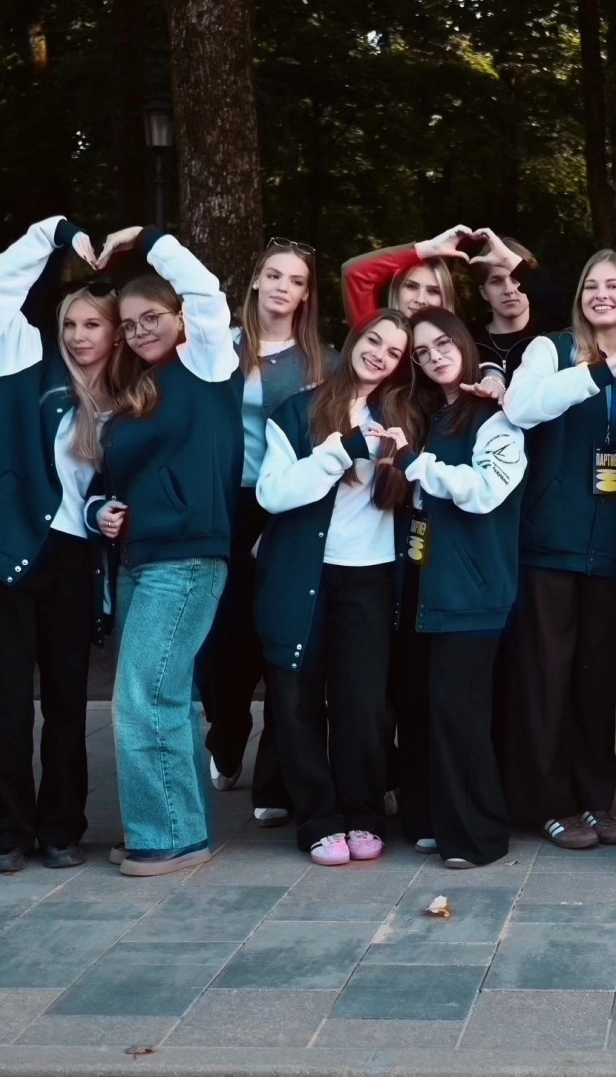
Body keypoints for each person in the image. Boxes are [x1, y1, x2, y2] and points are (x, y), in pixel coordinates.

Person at [0, 217, 122, 873]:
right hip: (4, 549)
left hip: (73, 559)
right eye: (71, 323)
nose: (79, 335)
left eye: (93, 324)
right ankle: (5, 831)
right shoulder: (25, 360)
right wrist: (54, 233)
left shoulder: (125, 398)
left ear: (115, 332)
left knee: (66, 702)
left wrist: (103, 510)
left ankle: (60, 829)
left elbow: (99, 487)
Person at [91, 226, 241, 877]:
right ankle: (181, 829)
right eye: (128, 325)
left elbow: (205, 289)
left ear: (179, 317)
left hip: (186, 559)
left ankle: (166, 838)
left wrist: (147, 239)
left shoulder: (206, 363)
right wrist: (106, 511)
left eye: (150, 316)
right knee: (166, 697)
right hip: (141, 560)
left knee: (142, 699)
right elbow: (117, 480)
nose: (139, 331)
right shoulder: (141, 391)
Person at [252, 311, 418, 866]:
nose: (379, 354)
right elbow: (273, 494)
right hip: (302, 573)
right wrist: (340, 451)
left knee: (363, 705)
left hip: (370, 577)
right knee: (296, 699)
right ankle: (318, 821)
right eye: (373, 340)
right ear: (354, 340)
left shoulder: (402, 417)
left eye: (393, 352)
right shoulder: (298, 411)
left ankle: (363, 813)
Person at [500, 250, 616, 851]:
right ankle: (550, 802)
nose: (601, 294)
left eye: (615, 285)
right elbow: (520, 407)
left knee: (595, 678)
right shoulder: (551, 350)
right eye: (591, 285)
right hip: (548, 541)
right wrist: (599, 372)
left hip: (608, 548)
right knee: (546, 678)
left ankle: (595, 798)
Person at [202, 238, 334, 828]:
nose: (283, 287)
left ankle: (276, 775)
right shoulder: (218, 345)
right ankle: (226, 733)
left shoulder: (321, 363)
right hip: (224, 504)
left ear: (306, 295)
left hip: (285, 503)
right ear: (256, 280)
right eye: (274, 275)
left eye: (296, 280)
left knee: (282, 637)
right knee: (225, 639)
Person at [397, 308, 527, 867]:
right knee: (430, 708)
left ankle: (479, 837)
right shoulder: (430, 416)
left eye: (442, 344)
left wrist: (415, 464)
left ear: (463, 343)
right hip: (427, 584)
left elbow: (485, 491)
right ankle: (436, 821)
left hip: (475, 589)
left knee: (461, 712)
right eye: (421, 353)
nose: (434, 357)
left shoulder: (497, 415)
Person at [468, 233, 545, 375]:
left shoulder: (550, 335)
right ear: (484, 292)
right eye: (496, 281)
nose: (509, 290)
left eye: (516, 278)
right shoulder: (468, 342)